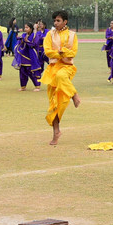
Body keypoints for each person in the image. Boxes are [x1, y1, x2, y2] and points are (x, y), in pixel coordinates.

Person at [43, 10, 81, 145]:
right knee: (54, 103)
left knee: (61, 77)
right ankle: (56, 132)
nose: (56, 23)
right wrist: (60, 54)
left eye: (58, 20)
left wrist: (62, 52)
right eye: (54, 21)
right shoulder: (49, 34)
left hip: (67, 68)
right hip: (52, 70)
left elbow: (73, 53)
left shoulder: (72, 35)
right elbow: (47, 51)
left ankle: (73, 95)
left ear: (65, 21)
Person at [12, 23, 43, 91]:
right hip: (23, 55)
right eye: (25, 27)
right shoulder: (24, 35)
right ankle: (23, 86)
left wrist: (27, 41)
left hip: (31, 56)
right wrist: (20, 38)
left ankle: (37, 86)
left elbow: (34, 45)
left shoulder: (35, 36)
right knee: (22, 70)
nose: (25, 29)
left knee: (32, 71)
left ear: (31, 29)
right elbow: (19, 40)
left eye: (27, 27)